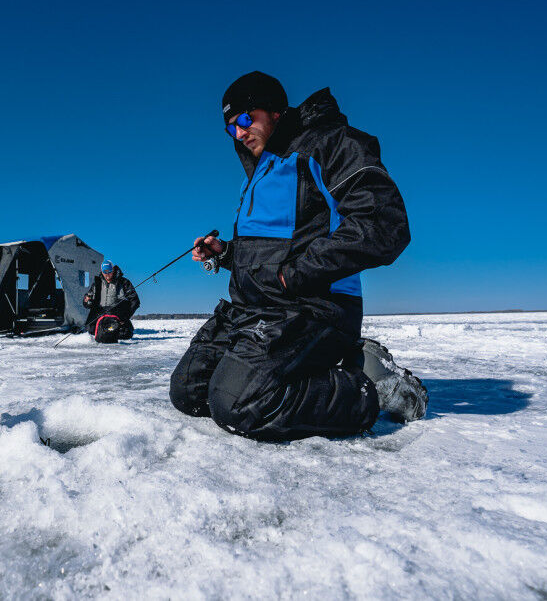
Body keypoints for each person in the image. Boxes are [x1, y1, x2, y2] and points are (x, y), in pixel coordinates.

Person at [170, 71, 427, 441]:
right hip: (256, 310)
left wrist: (297, 275)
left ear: (275, 111)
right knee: (189, 392)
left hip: (314, 306)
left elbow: (383, 224)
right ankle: (318, 372)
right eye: (230, 128)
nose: (239, 133)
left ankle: (370, 386)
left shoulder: (329, 145)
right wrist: (226, 253)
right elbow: (275, 249)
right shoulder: (260, 171)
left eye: (245, 119)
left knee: (239, 403)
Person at [83, 260, 140, 341]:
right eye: (104, 272)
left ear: (113, 270)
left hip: (118, 315)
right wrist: (87, 301)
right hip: (100, 315)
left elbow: (135, 301)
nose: (107, 274)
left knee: (124, 333)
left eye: (109, 271)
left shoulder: (124, 282)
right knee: (91, 330)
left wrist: (125, 317)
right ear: (101, 271)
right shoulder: (97, 284)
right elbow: (87, 302)